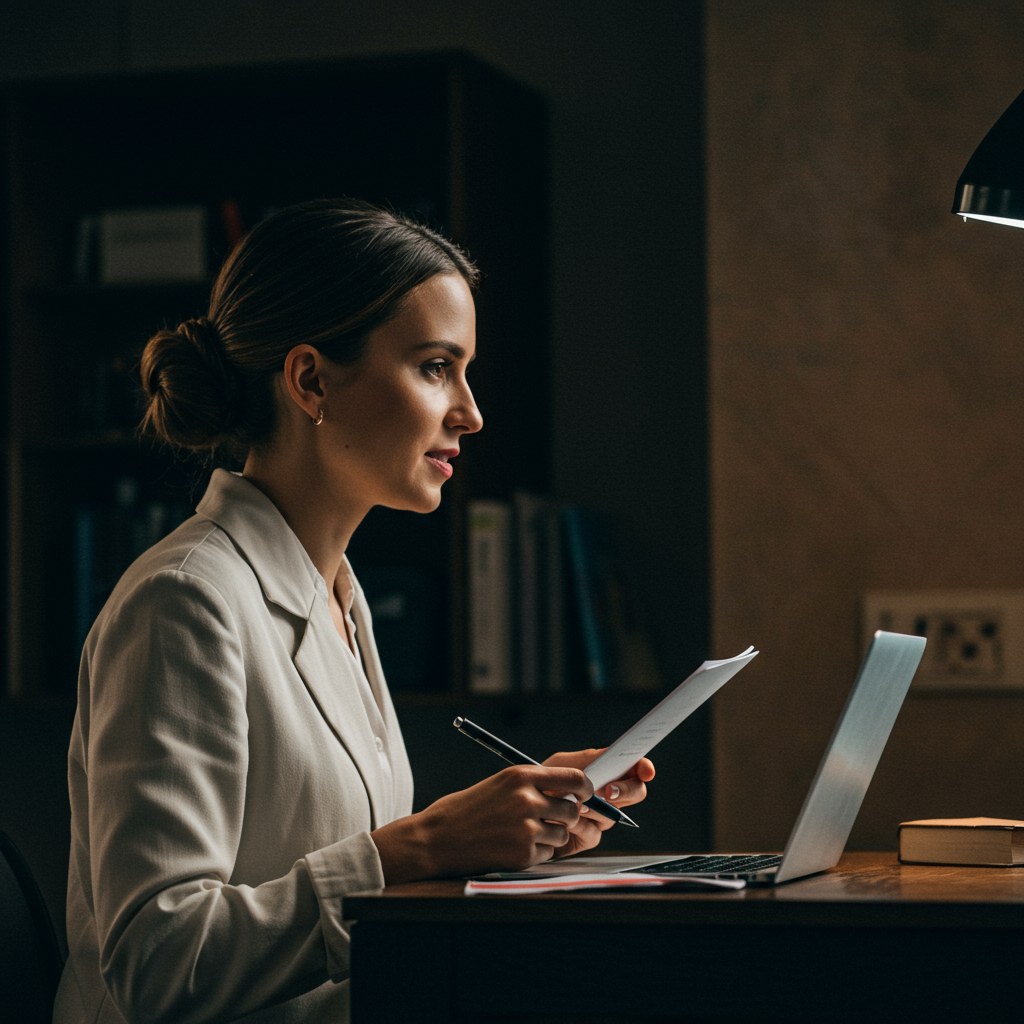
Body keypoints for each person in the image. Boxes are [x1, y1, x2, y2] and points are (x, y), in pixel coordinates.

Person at [54, 199, 655, 1024]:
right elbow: (159, 966)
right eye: (436, 367)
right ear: (309, 380)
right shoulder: (184, 600)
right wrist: (429, 844)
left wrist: (505, 834)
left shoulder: (338, 594)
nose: (471, 413)